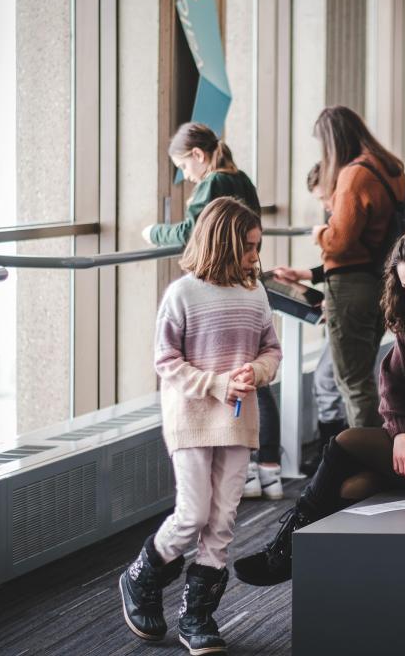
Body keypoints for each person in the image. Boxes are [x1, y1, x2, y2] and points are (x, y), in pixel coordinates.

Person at [233, 226, 405, 587]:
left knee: (345, 442)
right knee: (352, 487)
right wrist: (399, 433)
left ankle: (284, 554)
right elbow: (392, 383)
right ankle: (313, 563)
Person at [119, 198, 282, 654]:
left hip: (237, 421)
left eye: (258, 247)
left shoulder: (255, 293)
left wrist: (258, 371)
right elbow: (165, 361)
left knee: (222, 521)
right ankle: (141, 576)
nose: (255, 257)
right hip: (191, 418)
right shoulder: (182, 294)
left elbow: (272, 350)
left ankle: (198, 616)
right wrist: (215, 384)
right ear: (224, 244)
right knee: (192, 514)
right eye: (249, 248)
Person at [143, 122, 282, 499]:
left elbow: (189, 232)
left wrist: (153, 233)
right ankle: (268, 468)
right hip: (247, 286)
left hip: (224, 288)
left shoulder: (212, 184)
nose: (186, 177)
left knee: (233, 375)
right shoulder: (243, 179)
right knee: (253, 378)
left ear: (198, 156)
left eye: (184, 168)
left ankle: (252, 470)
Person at [310, 105, 405, 429]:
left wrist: (320, 233)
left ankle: (364, 459)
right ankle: (373, 453)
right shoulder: (391, 169)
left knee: (353, 384)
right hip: (383, 280)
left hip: (351, 286)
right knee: (364, 378)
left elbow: (340, 242)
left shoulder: (353, 174)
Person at [271, 163, 348, 475]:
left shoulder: (345, 216)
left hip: (348, 305)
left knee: (327, 380)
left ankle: (332, 458)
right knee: (330, 380)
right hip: (340, 300)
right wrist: (304, 275)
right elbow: (336, 265)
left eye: (323, 198)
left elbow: (347, 264)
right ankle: (332, 456)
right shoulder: (340, 216)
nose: (324, 206)